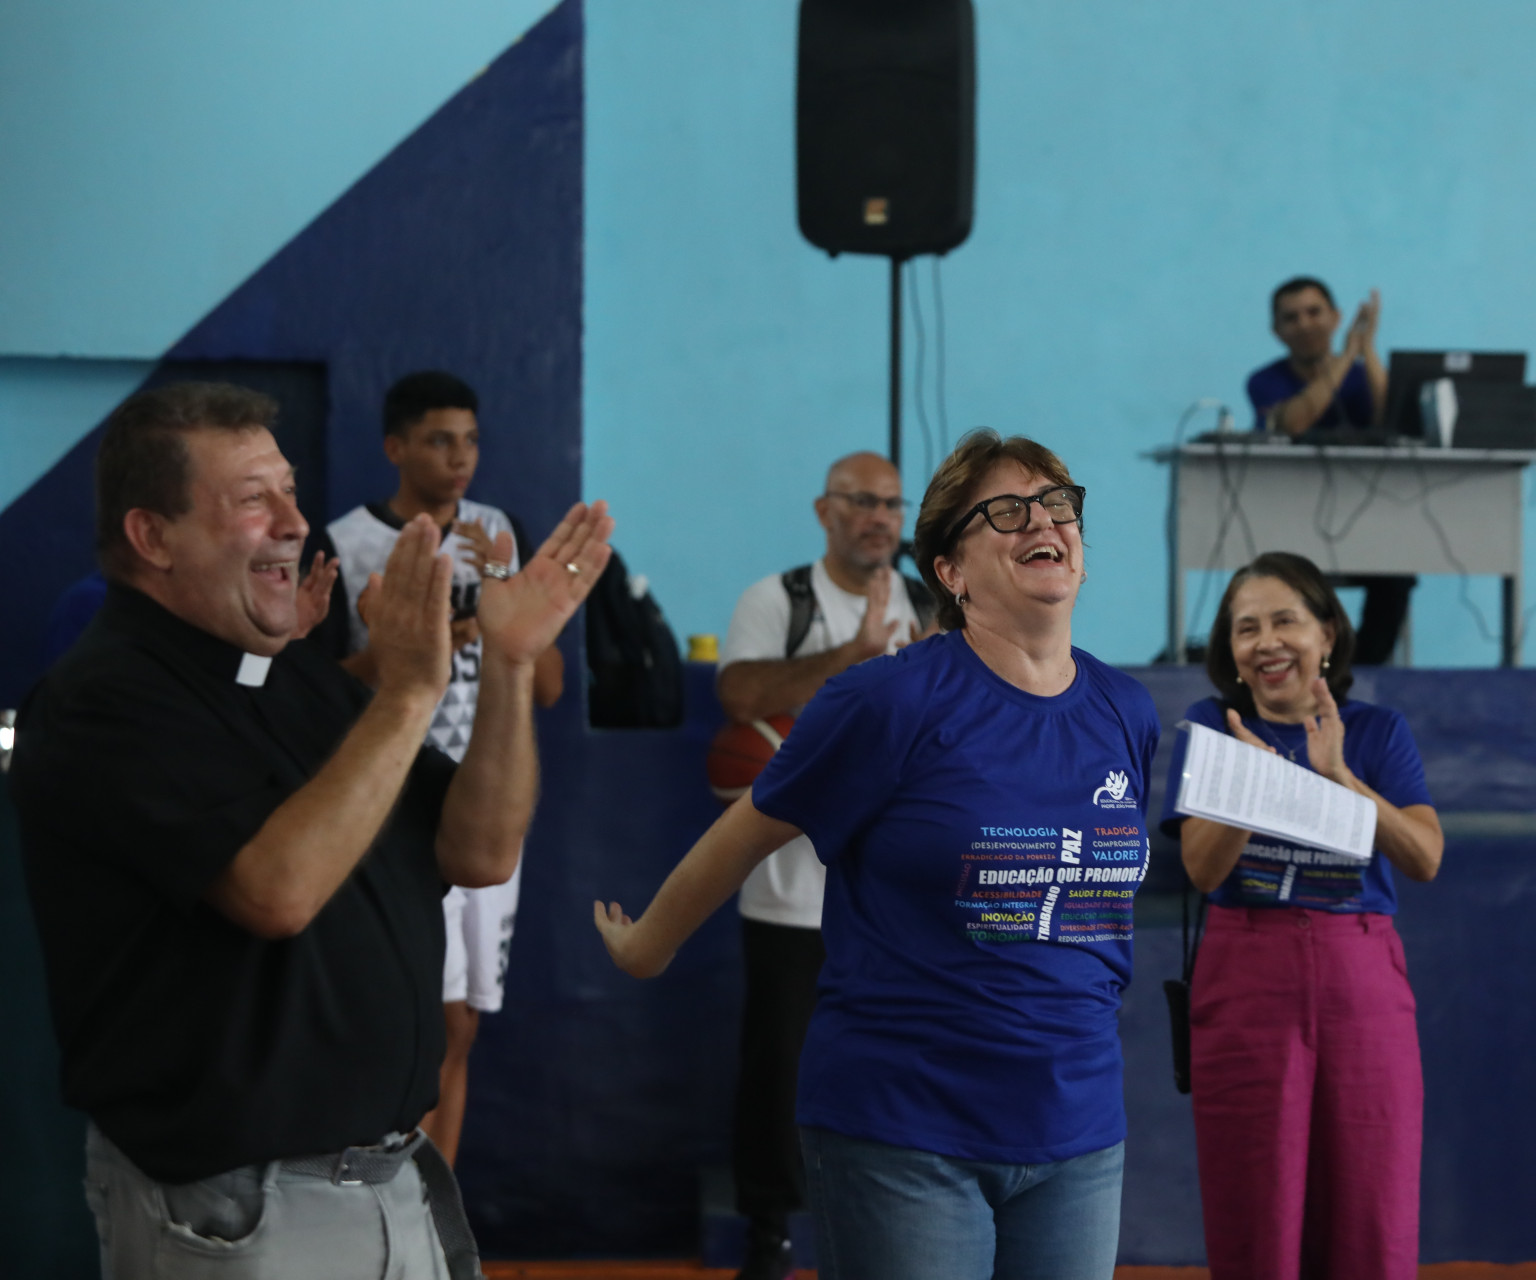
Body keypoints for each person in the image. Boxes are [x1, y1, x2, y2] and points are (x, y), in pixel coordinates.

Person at [11, 381, 612, 1279]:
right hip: (242, 1213)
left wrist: (513, 667)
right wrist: (409, 687)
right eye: (255, 499)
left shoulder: (290, 679)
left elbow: (478, 850)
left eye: (289, 492)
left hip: (389, 1182)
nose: (295, 522)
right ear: (153, 536)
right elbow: (276, 890)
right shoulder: (104, 701)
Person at [595, 430, 1160, 1280]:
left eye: (1056, 505)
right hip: (906, 1126)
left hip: (1077, 1130)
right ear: (951, 572)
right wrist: (651, 943)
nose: (1041, 519)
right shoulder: (889, 701)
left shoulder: (1125, 709)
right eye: (1005, 511)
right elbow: (750, 827)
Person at [1158, 551, 1443, 1280]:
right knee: (1258, 1204)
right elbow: (1201, 869)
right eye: (1245, 627)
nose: (1265, 641)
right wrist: (1254, 784)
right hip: (1247, 980)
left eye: (1285, 620)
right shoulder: (1210, 727)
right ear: (1231, 650)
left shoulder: (1376, 732)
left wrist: (1341, 778)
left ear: (1326, 634)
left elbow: (1423, 857)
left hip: (1363, 987)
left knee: (1370, 1202)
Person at [309, 370, 565, 1166]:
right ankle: (386, 1198)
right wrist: (401, 659)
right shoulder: (344, 543)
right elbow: (316, 698)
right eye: (440, 440)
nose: (461, 458)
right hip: (389, 804)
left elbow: (549, 685)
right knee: (417, 1010)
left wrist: (498, 593)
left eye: (471, 440)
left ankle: (434, 1199)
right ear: (395, 447)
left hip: (485, 798)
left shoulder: (498, 533)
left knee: (462, 1024)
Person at [711, 450, 934, 1280]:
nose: (880, 517)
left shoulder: (928, 603)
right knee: (778, 1072)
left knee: (897, 1062)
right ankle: (768, 1231)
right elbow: (738, 700)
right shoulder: (779, 599)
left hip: (896, 890)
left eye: (890, 504)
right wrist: (854, 657)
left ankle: (893, 1220)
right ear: (824, 511)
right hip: (790, 891)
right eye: (862, 503)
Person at [1246, 276, 1413, 665]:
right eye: (1291, 318)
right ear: (1277, 331)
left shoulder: (1360, 375)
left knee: (1397, 574)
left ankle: (1365, 671)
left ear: (1336, 317)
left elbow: (1394, 419)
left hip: (1367, 523)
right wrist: (1345, 356)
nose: (1305, 324)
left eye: (1314, 312)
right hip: (1290, 524)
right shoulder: (1264, 381)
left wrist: (1365, 349)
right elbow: (1296, 422)